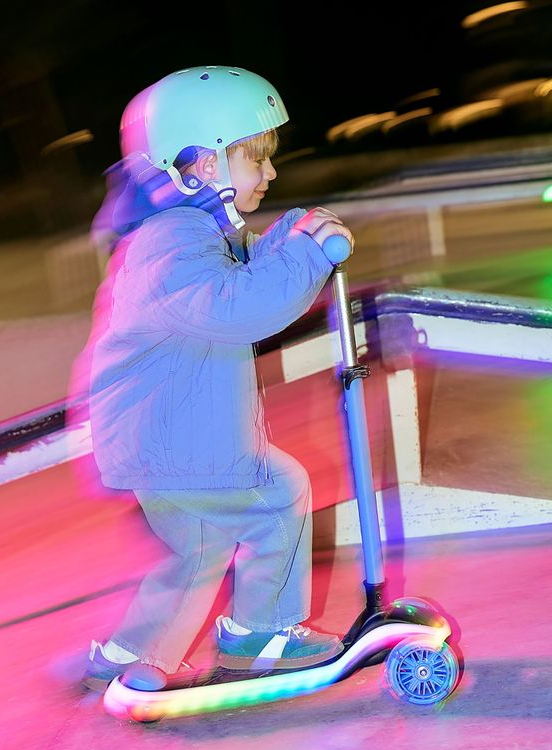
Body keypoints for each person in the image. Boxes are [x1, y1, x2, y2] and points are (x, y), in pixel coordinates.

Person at [76, 66, 354, 690]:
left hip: (162, 439)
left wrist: (292, 235)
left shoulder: (187, 231)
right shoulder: (170, 242)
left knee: (196, 551)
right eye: (257, 159)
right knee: (278, 496)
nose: (270, 172)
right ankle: (261, 635)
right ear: (203, 165)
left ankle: (127, 656)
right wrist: (308, 254)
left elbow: (243, 272)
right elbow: (237, 306)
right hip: (176, 441)